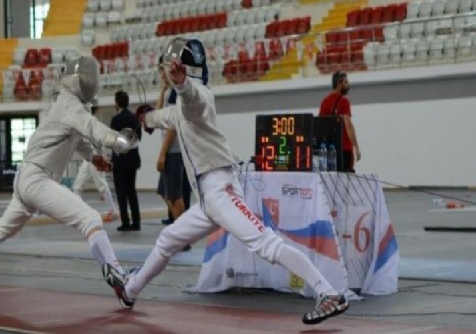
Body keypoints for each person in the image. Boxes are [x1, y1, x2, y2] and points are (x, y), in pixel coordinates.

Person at [103, 37, 349, 325]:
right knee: (168, 239)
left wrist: (181, 85)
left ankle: (328, 292)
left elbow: (192, 100)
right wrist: (146, 116)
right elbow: (160, 117)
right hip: (208, 199)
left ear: (182, 70)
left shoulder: (200, 96)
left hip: (222, 188)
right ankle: (130, 290)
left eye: (169, 70)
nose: (165, 74)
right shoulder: (178, 110)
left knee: (265, 243)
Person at [0, 56, 138, 307]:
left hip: (26, 178)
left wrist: (94, 157)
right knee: (90, 219)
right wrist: (118, 141)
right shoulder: (71, 105)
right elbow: (91, 127)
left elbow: (77, 138)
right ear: (74, 80)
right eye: (86, 77)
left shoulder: (66, 104)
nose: (90, 82)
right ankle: (119, 279)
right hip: (37, 179)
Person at [155, 56, 191, 251]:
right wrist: (162, 90)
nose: (162, 74)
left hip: (173, 151)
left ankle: (183, 237)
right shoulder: (169, 93)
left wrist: (162, 154)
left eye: (164, 70)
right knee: (165, 193)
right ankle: (181, 232)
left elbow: (172, 127)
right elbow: (157, 116)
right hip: (170, 151)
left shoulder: (177, 94)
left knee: (175, 197)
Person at [71, 105, 119, 222]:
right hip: (88, 159)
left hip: (95, 158)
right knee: (77, 186)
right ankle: (78, 212)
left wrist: (101, 157)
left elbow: (100, 140)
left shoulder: (92, 124)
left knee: (102, 185)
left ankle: (114, 211)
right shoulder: (84, 123)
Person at [110, 90, 142, 231]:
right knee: (132, 192)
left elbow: (113, 139)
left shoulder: (116, 120)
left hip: (120, 162)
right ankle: (136, 222)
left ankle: (125, 222)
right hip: (133, 160)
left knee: (121, 193)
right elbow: (138, 137)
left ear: (117, 102)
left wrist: (122, 149)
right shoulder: (135, 118)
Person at [319, 72, 360, 172]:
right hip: (345, 149)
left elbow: (320, 124)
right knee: (346, 181)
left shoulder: (324, 102)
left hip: (330, 149)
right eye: (345, 82)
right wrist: (356, 147)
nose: (348, 85)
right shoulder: (344, 101)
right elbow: (348, 125)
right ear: (339, 83)